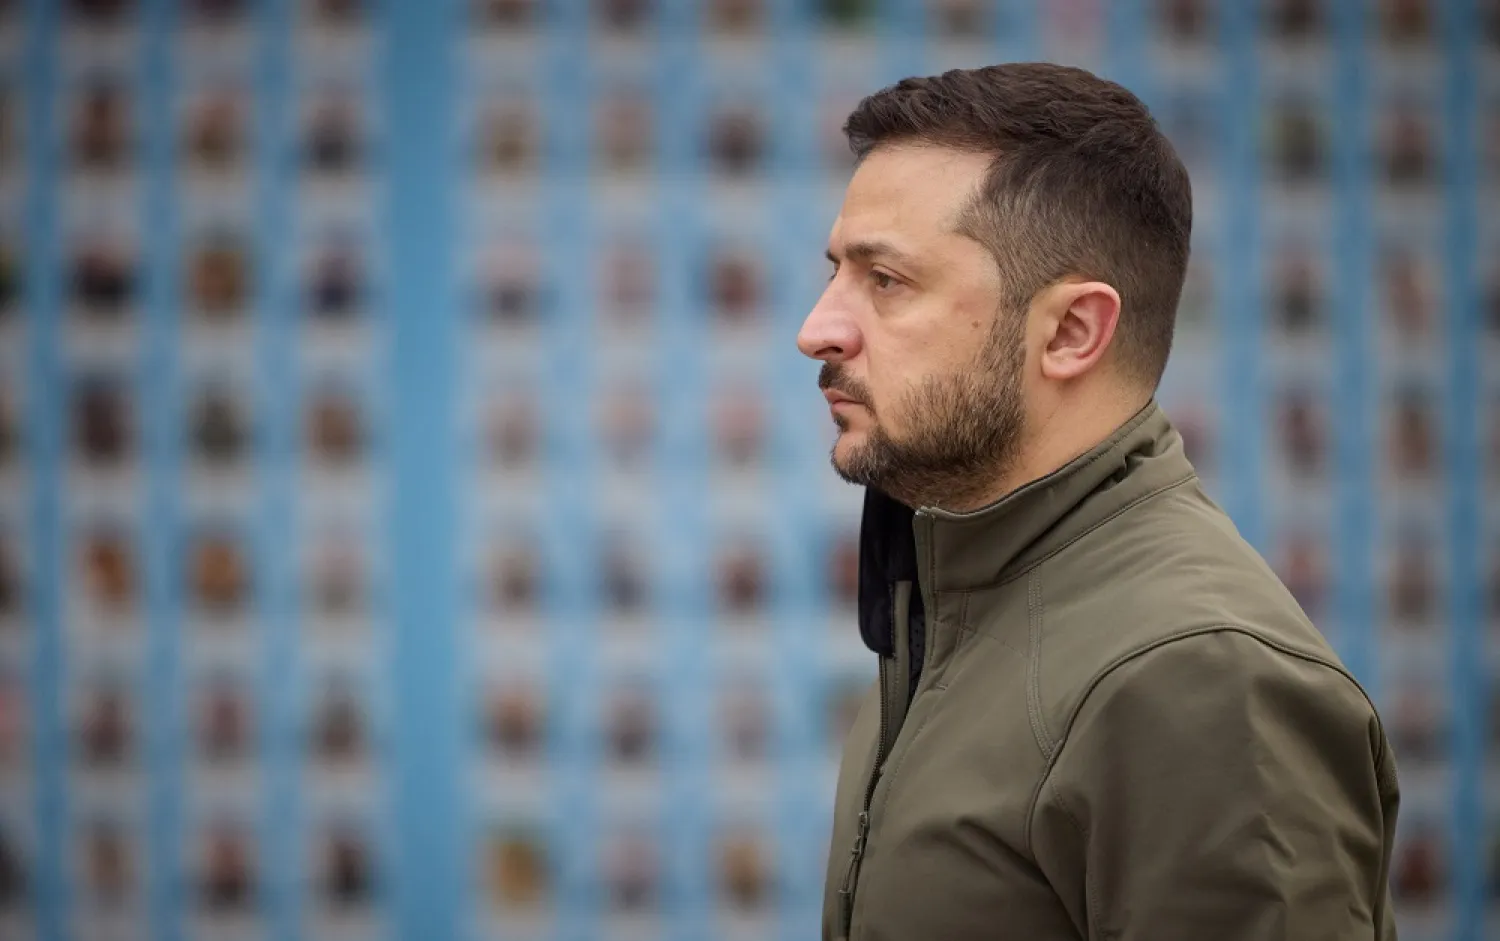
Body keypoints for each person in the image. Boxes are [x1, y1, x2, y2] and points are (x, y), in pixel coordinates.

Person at [796, 63, 1399, 941]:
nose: (816, 328)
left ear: (1072, 331)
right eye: (836, 272)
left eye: (885, 279)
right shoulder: (947, 589)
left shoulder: (1200, 679)